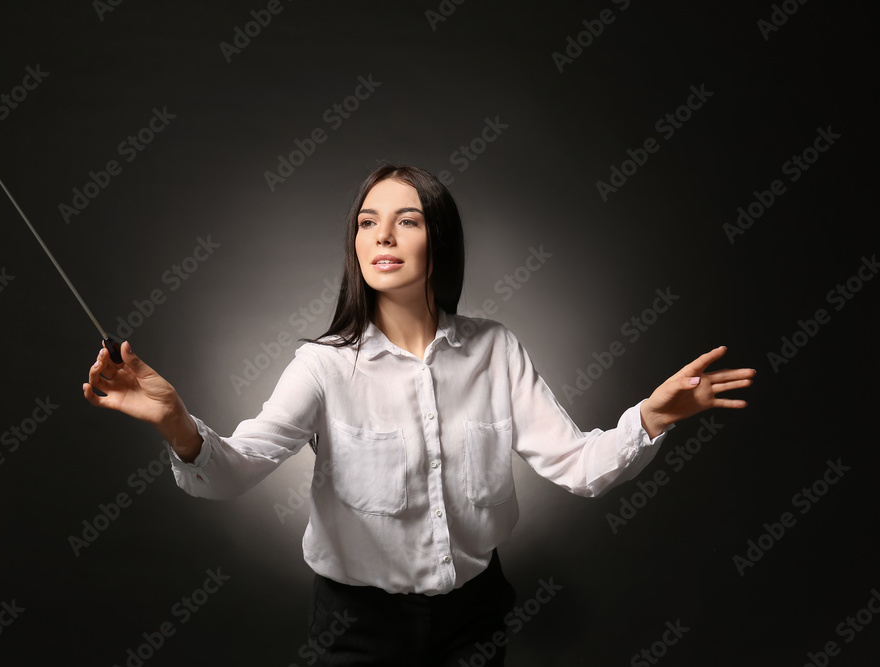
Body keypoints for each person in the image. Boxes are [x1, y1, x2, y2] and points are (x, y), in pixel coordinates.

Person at [83, 164, 754, 666]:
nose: (383, 234)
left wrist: (654, 416)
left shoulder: (496, 348)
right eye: (367, 221)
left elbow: (579, 466)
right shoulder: (322, 364)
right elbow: (237, 467)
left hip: (475, 617)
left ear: (440, 238)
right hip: (357, 627)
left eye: (407, 218)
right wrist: (176, 420)